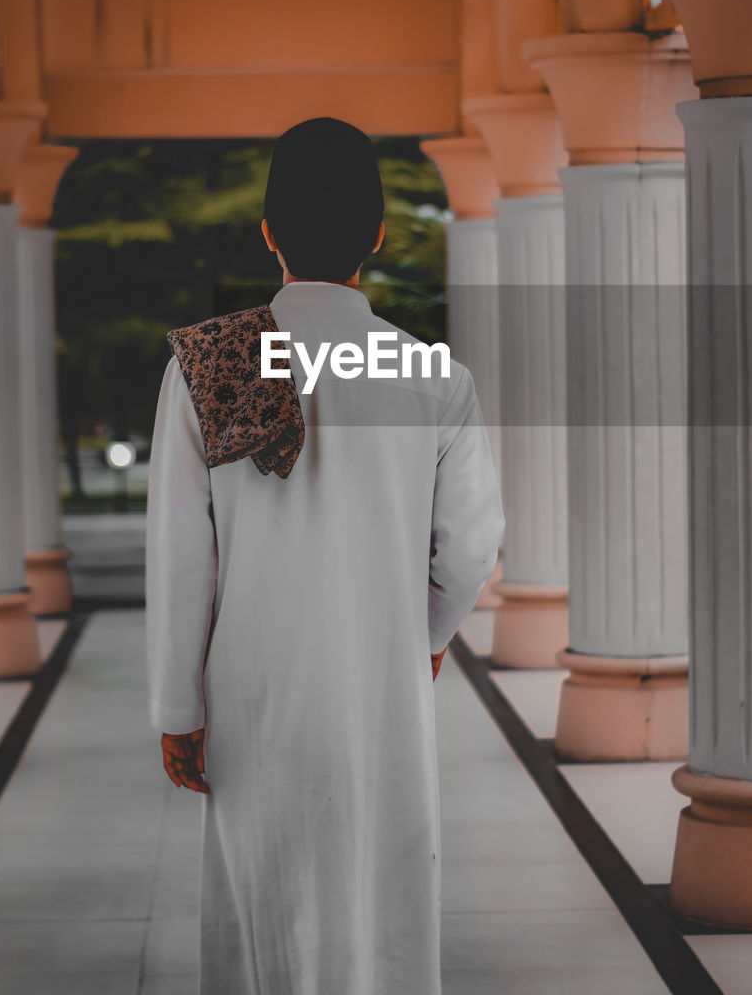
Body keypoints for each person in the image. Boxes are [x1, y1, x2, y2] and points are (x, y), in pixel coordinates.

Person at [145, 116, 504, 995]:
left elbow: (181, 555)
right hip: (377, 686)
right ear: (376, 236)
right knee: (379, 884)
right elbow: (469, 550)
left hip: (251, 687)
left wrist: (177, 705)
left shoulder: (211, 362)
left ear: (267, 231)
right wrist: (416, 638)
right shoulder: (430, 375)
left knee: (257, 893)